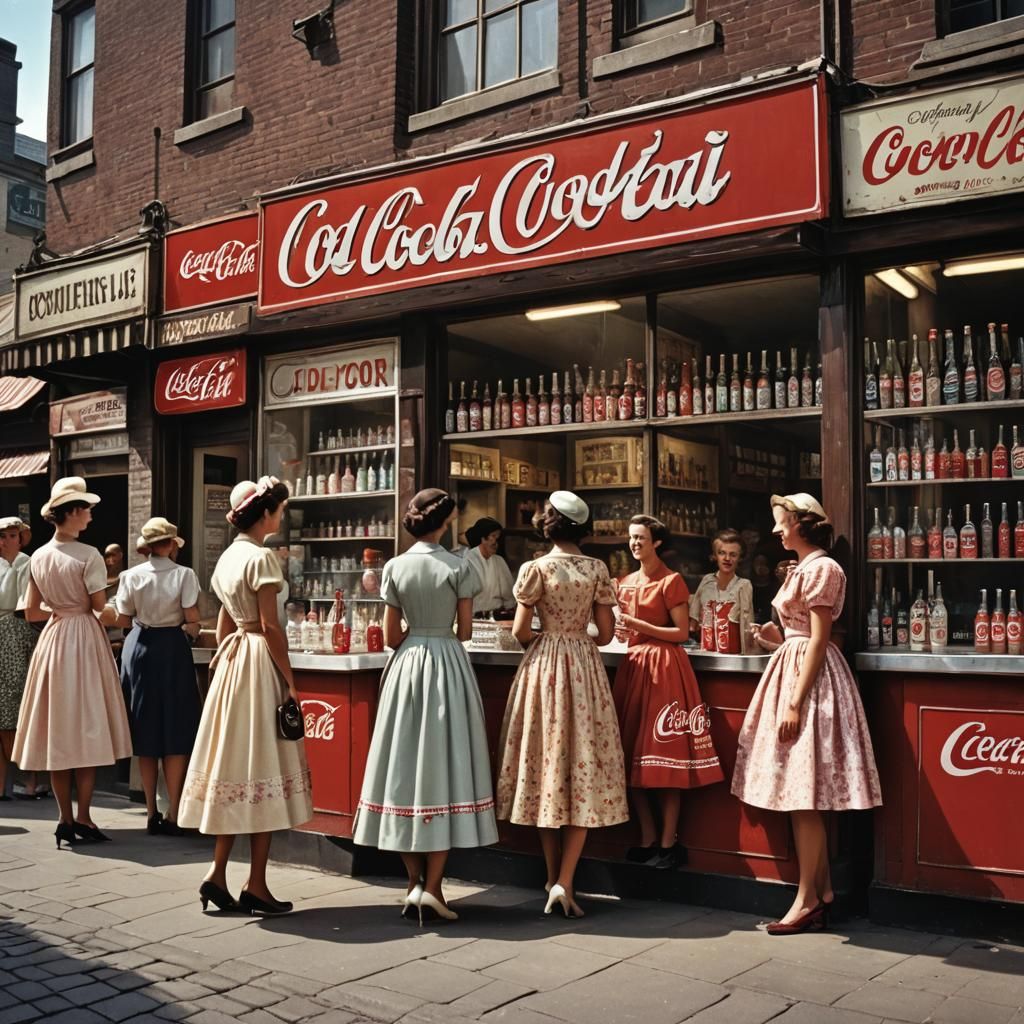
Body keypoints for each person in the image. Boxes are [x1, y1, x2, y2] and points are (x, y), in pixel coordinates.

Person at [733, 493, 881, 935]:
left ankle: (807, 900)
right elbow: (801, 638)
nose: (776, 530)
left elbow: (819, 639)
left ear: (800, 524)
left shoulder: (822, 568)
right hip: (794, 668)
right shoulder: (805, 569)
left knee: (805, 797)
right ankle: (821, 891)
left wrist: (796, 701)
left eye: (781, 523)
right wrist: (774, 641)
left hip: (810, 683)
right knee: (799, 794)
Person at [353, 488, 497, 924]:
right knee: (443, 770)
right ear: (446, 522)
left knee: (402, 768)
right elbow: (467, 630)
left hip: (405, 667)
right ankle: (434, 887)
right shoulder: (458, 566)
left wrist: (416, 632)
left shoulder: (395, 566)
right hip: (446, 665)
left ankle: (413, 884)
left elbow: (391, 635)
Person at [178, 478, 313, 915]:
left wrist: (222, 658)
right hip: (258, 660)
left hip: (234, 660)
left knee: (234, 767)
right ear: (266, 514)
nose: (281, 516)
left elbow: (223, 620)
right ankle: (256, 884)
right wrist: (290, 681)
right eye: (279, 510)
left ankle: (217, 873)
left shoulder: (227, 559)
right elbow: (271, 626)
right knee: (262, 767)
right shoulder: (261, 558)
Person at [496, 491, 628, 918]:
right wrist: (577, 638)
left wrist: (546, 640)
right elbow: (606, 635)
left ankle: (552, 878)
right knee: (581, 768)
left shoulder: (535, 568)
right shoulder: (596, 569)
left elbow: (519, 631)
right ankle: (565, 881)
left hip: (543, 668)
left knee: (546, 766)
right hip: (583, 669)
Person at [12, 478, 133, 847]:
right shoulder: (88, 555)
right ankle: (83, 817)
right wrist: (122, 613)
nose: (91, 515)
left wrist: (59, 608)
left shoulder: (38, 558)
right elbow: (100, 608)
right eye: (87, 508)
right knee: (88, 726)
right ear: (73, 511)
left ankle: (64, 817)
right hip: (83, 637)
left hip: (53, 638)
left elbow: (32, 610)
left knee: (59, 730)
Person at [613, 515, 723, 868]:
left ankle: (668, 841)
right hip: (633, 667)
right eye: (631, 538)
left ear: (656, 542)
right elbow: (623, 633)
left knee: (665, 762)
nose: (634, 544)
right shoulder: (625, 582)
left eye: (641, 538)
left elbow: (680, 633)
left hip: (664, 669)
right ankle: (646, 838)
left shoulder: (671, 581)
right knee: (632, 760)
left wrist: (637, 625)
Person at [114, 518, 202, 837]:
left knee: (146, 729)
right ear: (170, 545)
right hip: (171, 648)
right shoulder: (184, 575)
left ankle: (150, 810)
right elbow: (192, 620)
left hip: (139, 648)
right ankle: (174, 811)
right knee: (176, 728)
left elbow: (123, 618)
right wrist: (189, 633)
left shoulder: (130, 576)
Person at [0, 517, 37, 801]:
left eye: (11, 535)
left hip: (19, 629)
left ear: (21, 537)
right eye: (1, 536)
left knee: (17, 699)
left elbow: (29, 605)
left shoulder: (28, 563)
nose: (4, 541)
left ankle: (29, 777)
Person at [690, 529, 755, 654]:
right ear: (715, 555)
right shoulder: (706, 581)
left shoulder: (744, 585)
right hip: (707, 651)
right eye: (722, 553)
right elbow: (693, 624)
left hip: (733, 654)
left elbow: (747, 626)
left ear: (739, 558)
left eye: (733, 554)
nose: (727, 558)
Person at [463, 516, 515, 616]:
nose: (496, 542)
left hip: (497, 617)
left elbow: (509, 597)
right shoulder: (467, 561)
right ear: (482, 538)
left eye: (498, 537)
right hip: (473, 618)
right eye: (493, 536)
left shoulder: (499, 561)